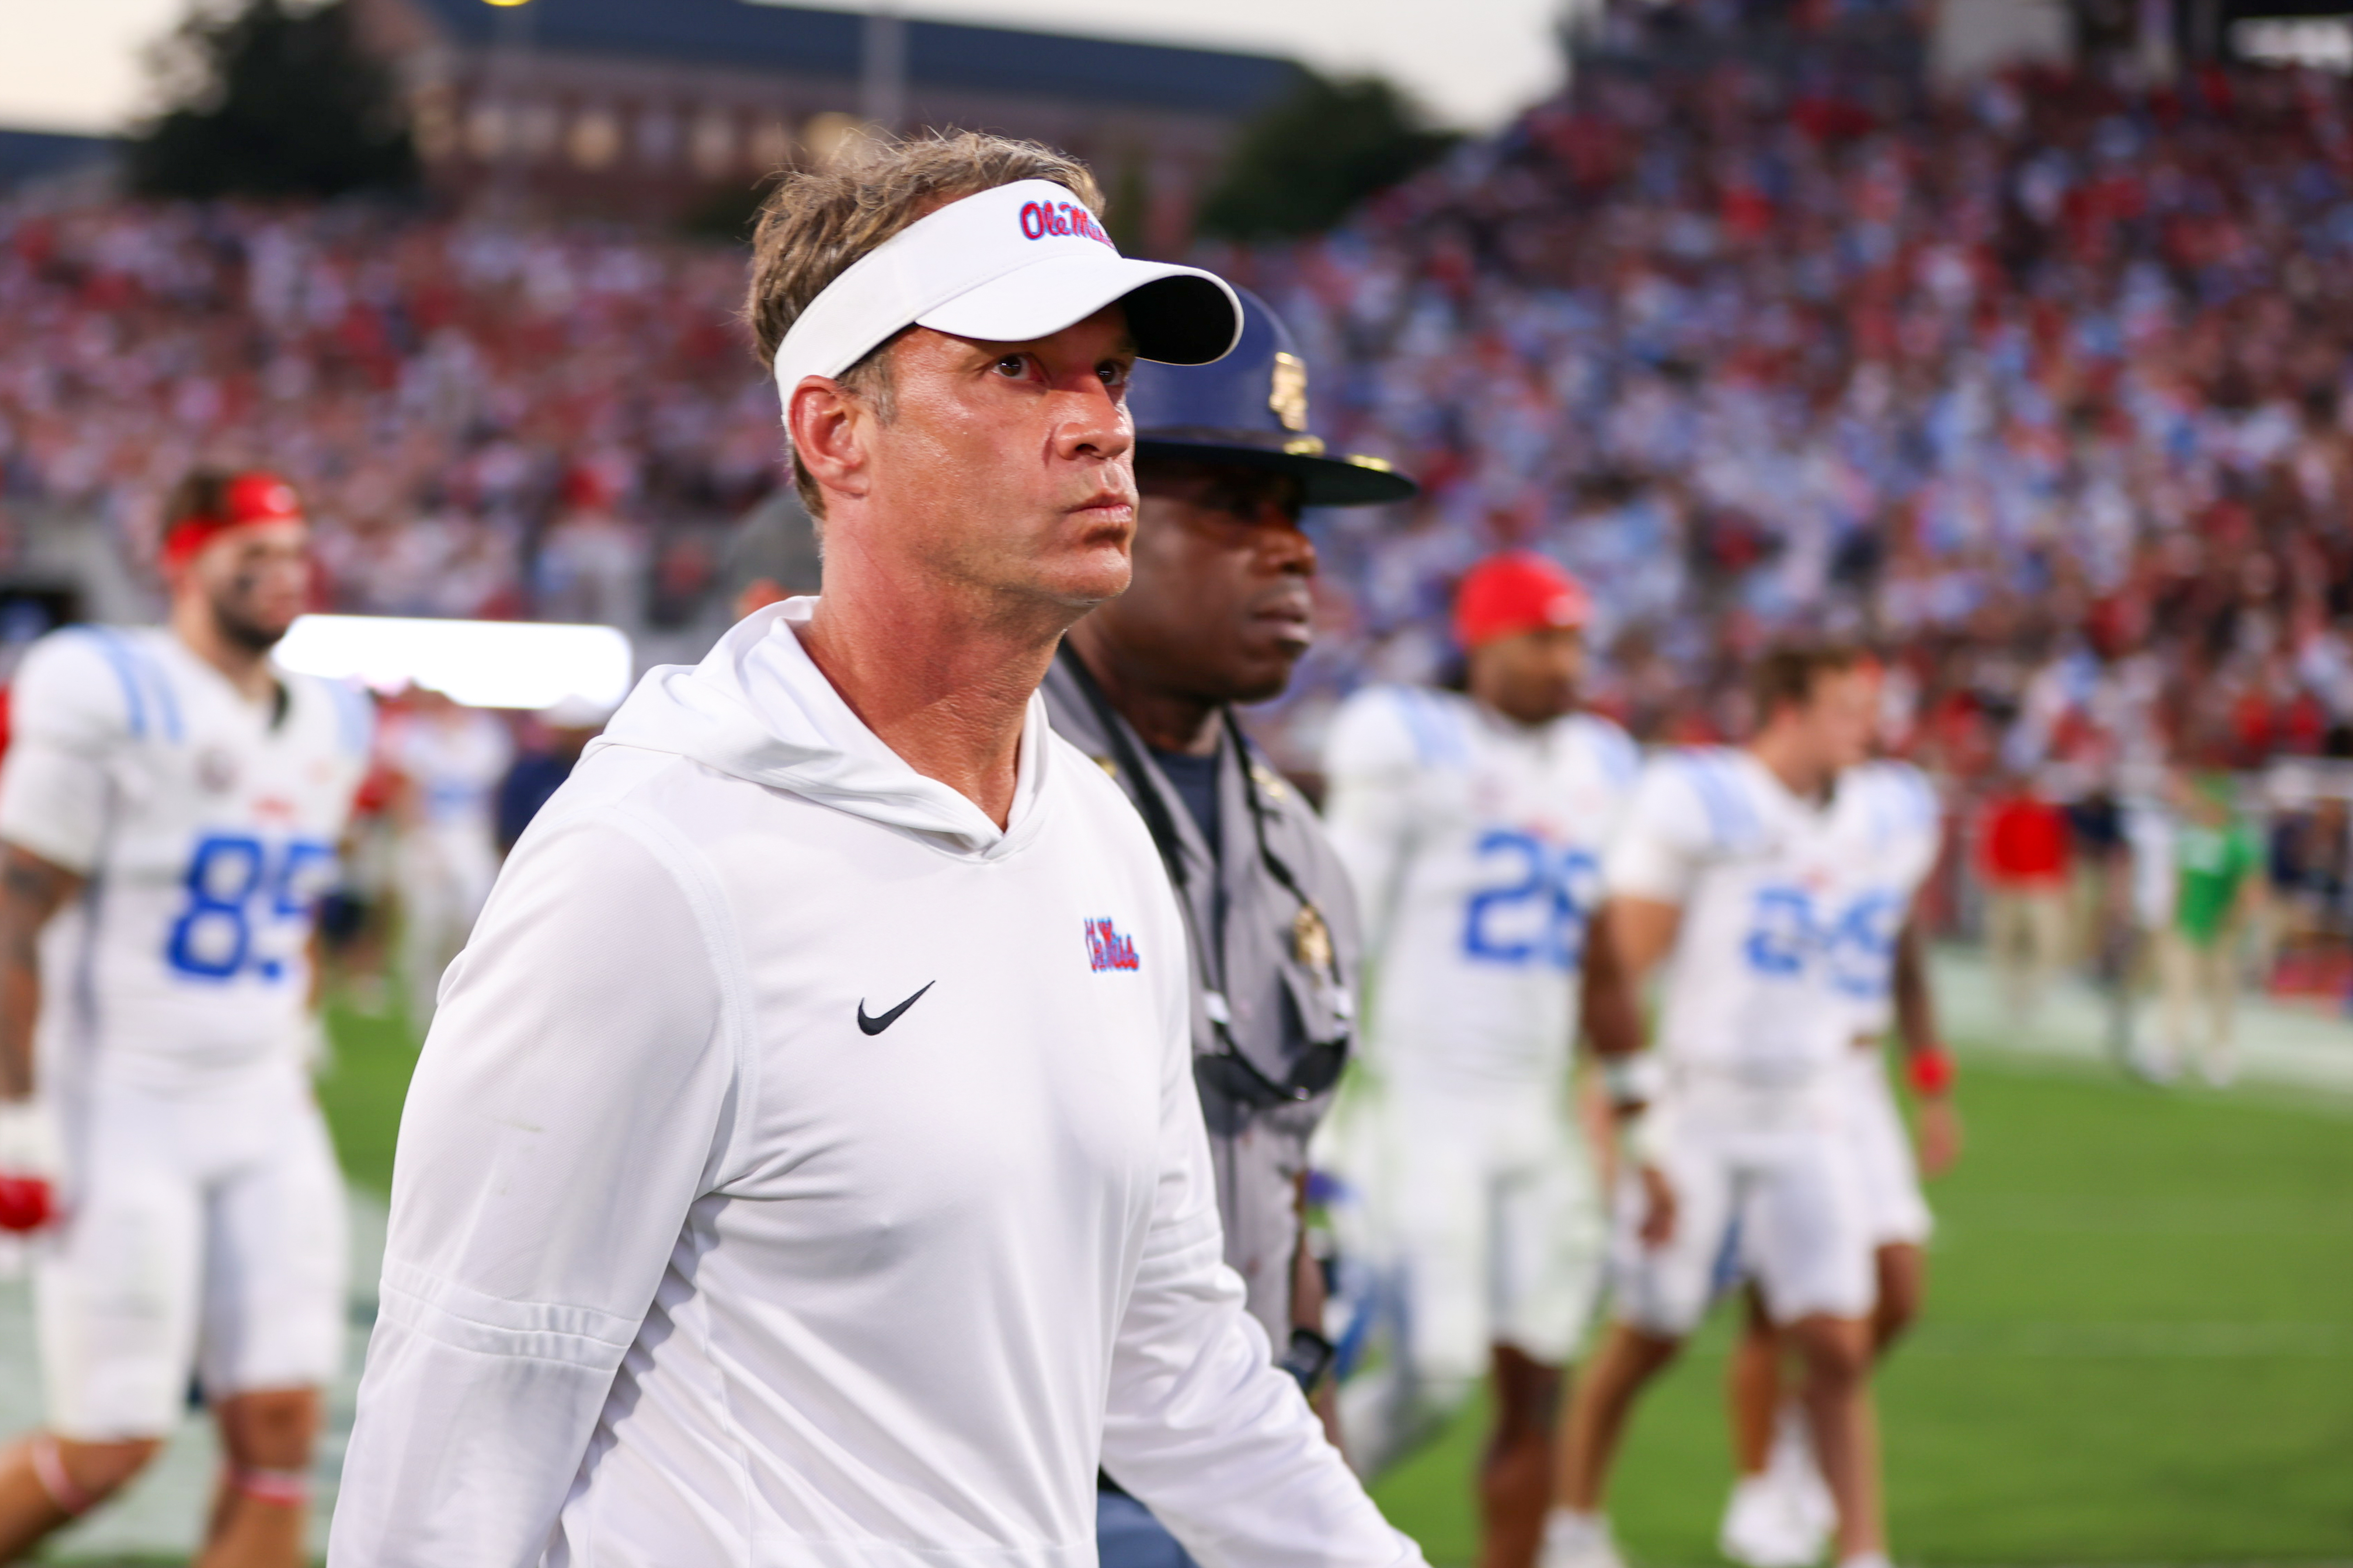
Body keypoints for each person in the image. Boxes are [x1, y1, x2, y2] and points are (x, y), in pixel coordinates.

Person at [329, 134, 1422, 1568]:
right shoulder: (656, 861)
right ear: (836, 434)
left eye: (1109, 376)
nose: (1098, 426)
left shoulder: (1094, 833)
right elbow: (458, 1443)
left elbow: (1168, 1360)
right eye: (1016, 369)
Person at [1039, 288, 1418, 1568]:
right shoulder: (980, 797)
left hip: (1228, 1476)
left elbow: (1279, 1180)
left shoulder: (1300, 849)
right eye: (1237, 507)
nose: (1295, 549)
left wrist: (1320, 1456)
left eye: (1299, 514)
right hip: (1013, 1482)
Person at [0, 470, 372, 1566]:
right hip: (121, 1106)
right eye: (249, 552)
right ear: (182, 559)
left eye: (296, 553)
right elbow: (16, 910)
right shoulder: (110, 686)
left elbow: (291, 902)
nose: (280, 575)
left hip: (262, 1105)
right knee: (114, 1444)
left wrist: (295, 1019)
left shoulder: (333, 715)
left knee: (283, 1429)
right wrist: (17, 1117)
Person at [1321, 553, 1637, 1568]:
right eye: (1546, 640)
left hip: (1533, 1113)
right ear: (1483, 643)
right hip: (1420, 1103)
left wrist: (1636, 1101)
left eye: (1578, 640)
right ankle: (1267, 1522)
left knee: (1534, 1379)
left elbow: (1596, 944)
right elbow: (1331, 920)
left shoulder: (1602, 761)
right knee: (1435, 1373)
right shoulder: (1410, 738)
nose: (1569, 663)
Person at [1547, 644, 1893, 1568]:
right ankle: (1572, 1521)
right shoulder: (1704, 799)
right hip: (1698, 1107)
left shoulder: (1874, 813)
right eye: (1842, 707)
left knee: (1837, 1339)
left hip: (1807, 1106)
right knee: (1650, 1332)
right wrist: (1611, 1111)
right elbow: (1619, 969)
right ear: (1785, 709)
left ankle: (1863, 1548)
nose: (1864, 727)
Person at [1716, 739, 1961, 1568]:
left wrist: (1932, 1083)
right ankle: (1760, 1487)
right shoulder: (1755, 818)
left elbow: (1908, 960)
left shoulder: (1887, 819)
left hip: (1858, 1080)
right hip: (1775, 1083)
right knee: (1780, 1304)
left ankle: (1797, 1421)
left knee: (1899, 1288)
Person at [379, 689, 512, 1033]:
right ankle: (422, 1001)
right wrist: (416, 839)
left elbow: (491, 796)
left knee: (473, 917)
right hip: (429, 835)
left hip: (470, 836)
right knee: (427, 921)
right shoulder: (414, 736)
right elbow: (407, 791)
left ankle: (458, 993)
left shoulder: (487, 737)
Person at [2153, 770, 2265, 1085]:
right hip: (2188, 927)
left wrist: (2236, 925)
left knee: (2221, 995)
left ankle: (2220, 1052)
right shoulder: (2190, 838)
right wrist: (2170, 919)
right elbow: (2179, 882)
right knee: (2178, 991)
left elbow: (2251, 889)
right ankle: (2169, 1049)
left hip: (2222, 932)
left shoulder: (2237, 844)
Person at [1976, 776, 2073, 1024]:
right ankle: (2011, 995)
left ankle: (2034, 992)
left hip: (2041, 885)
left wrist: (2060, 885)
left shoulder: (2049, 817)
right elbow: (1992, 846)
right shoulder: (2006, 813)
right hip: (2010, 884)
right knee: (2006, 943)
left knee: (2046, 944)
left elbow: (2061, 850)